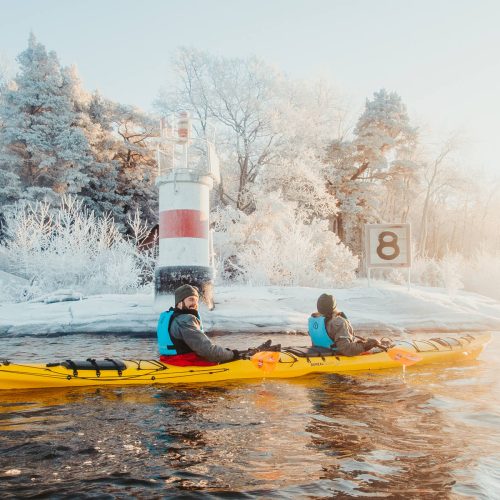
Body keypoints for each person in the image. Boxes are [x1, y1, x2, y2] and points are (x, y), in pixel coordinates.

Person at [157, 284, 277, 366]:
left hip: (168, 360)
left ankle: (254, 351)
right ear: (179, 303)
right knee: (230, 357)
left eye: (196, 300)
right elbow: (208, 351)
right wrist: (232, 354)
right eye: (190, 300)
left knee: (230, 353)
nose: (195, 303)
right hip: (185, 362)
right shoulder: (185, 320)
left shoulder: (169, 316)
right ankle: (253, 353)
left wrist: (231, 353)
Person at [308, 293, 385, 356]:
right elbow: (346, 349)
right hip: (335, 354)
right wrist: (367, 345)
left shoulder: (314, 320)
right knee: (370, 345)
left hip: (321, 352)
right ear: (334, 307)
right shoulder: (339, 322)